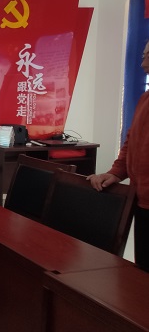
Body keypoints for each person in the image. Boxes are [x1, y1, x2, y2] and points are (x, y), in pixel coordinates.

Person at [87, 40, 149, 272]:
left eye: (148, 56)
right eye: (143, 56)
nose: (143, 64)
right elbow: (132, 140)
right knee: (142, 271)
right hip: (141, 199)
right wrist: (116, 172)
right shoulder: (145, 99)